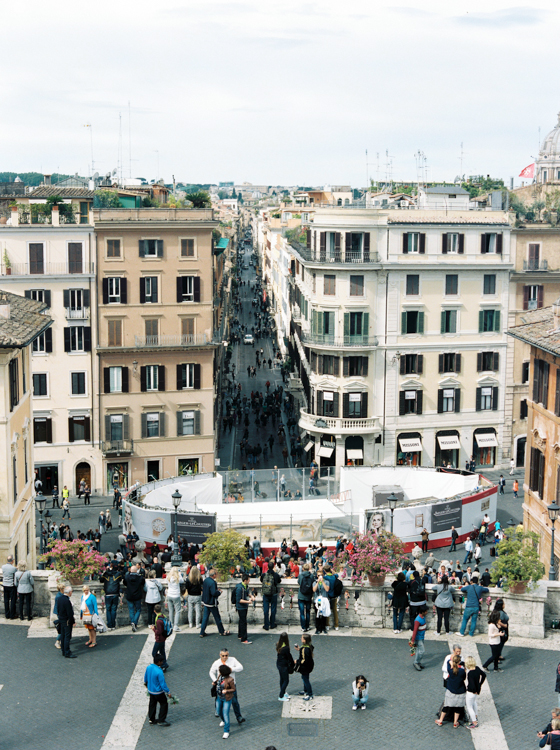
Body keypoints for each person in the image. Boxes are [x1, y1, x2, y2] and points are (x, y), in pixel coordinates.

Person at [209, 649, 245, 725]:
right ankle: (218, 711)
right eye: (223, 655)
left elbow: (241, 667)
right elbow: (211, 672)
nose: (225, 657)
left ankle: (238, 717)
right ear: (220, 655)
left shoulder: (233, 660)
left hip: (230, 685)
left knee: (234, 701)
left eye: (226, 655)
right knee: (218, 699)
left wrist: (231, 669)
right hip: (220, 685)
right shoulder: (216, 662)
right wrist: (215, 680)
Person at [435, 655, 466, 728]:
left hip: (451, 691)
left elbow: (448, 662)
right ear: (459, 662)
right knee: (458, 708)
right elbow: (464, 678)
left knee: (446, 706)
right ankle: (455, 723)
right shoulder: (462, 671)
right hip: (460, 691)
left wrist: (451, 663)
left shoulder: (450, 670)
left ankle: (440, 721)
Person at [144, 654, 172, 727]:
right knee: (164, 703)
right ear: (159, 662)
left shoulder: (149, 667)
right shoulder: (159, 671)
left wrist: (147, 686)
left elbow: (145, 678)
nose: (162, 663)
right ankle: (161, 720)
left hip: (151, 691)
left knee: (152, 704)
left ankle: (151, 719)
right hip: (158, 692)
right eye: (162, 661)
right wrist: (168, 692)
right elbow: (163, 684)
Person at [201, 569, 230, 637]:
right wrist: (219, 592)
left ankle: (202, 632)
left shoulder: (206, 580)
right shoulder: (213, 582)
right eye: (216, 574)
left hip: (206, 602)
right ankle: (222, 631)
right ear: (214, 575)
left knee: (205, 618)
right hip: (212, 603)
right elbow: (214, 593)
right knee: (217, 618)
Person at [100, 560, 122, 630]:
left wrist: (104, 571)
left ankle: (109, 625)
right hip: (115, 593)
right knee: (113, 610)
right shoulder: (118, 574)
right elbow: (121, 580)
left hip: (107, 594)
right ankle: (113, 625)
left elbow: (101, 580)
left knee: (108, 609)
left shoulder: (106, 574)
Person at [465, 655, 486, 729]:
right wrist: (480, 685)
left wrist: (474, 690)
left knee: (469, 707)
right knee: (474, 702)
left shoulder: (470, 673)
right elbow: (484, 675)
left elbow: (472, 684)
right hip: (476, 691)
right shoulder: (477, 668)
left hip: (471, 692)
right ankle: (475, 716)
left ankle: (474, 722)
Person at [215, 665, 236, 738]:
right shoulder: (220, 676)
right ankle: (224, 721)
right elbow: (218, 683)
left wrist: (226, 690)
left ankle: (226, 730)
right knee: (218, 711)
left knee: (225, 713)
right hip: (219, 697)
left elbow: (233, 689)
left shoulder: (230, 679)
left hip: (227, 698)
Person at [261, 559, 282, 631]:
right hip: (273, 594)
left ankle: (266, 625)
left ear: (267, 567)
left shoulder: (264, 575)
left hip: (265, 594)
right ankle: (272, 624)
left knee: (266, 610)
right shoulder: (276, 575)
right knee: (273, 609)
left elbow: (261, 580)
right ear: (273, 567)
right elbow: (279, 581)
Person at [124, 564, 144, 632]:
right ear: (136, 571)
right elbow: (143, 582)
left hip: (129, 595)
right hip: (137, 595)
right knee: (138, 609)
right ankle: (135, 622)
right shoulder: (139, 577)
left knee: (131, 610)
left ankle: (133, 622)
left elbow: (124, 583)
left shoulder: (127, 577)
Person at [294, 633, 315, 701]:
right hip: (309, 665)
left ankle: (310, 694)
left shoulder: (304, 649)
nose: (301, 638)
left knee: (305, 679)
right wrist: (300, 649)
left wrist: (297, 661)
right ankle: (306, 691)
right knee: (305, 678)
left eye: (302, 638)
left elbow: (304, 660)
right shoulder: (308, 646)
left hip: (305, 667)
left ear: (305, 640)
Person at [235, 573, 254, 644]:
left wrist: (251, 595)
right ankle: (244, 639)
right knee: (243, 622)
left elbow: (246, 593)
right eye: (248, 580)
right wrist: (248, 602)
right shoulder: (239, 588)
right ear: (245, 580)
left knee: (241, 621)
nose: (249, 581)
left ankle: (240, 635)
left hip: (243, 606)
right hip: (241, 607)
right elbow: (239, 600)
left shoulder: (245, 586)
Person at [58, 585, 76, 658]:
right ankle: (67, 652)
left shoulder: (59, 598)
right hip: (67, 621)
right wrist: (73, 621)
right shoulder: (67, 601)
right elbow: (70, 613)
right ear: (69, 592)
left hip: (61, 619)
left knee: (63, 635)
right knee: (67, 637)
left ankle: (63, 650)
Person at [276, 631, 294, 701]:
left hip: (279, 664)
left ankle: (283, 692)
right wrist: (293, 664)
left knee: (282, 679)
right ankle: (281, 696)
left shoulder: (278, 644)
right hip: (284, 666)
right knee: (286, 680)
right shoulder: (286, 648)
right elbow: (289, 657)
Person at [152, 603, 170, 670]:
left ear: (154, 611)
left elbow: (159, 632)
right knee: (162, 651)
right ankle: (164, 664)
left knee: (154, 653)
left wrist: (153, 629)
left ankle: (161, 663)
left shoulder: (158, 620)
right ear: (161, 609)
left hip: (159, 639)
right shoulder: (163, 616)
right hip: (163, 638)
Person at [166, 566, 184, 633]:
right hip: (176, 595)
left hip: (169, 595)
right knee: (177, 610)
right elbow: (182, 581)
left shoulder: (168, 577)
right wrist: (179, 574)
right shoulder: (178, 577)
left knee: (171, 611)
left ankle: (171, 624)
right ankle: (175, 626)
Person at [297, 562, 315, 632]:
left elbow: (299, 582)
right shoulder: (311, 576)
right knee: (308, 611)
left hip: (301, 595)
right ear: (309, 568)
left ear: (303, 569)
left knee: (302, 612)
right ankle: (307, 626)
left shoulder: (300, 575)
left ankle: (303, 627)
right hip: (308, 595)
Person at [410, 604, 428, 671]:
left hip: (422, 636)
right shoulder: (418, 620)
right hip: (419, 638)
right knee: (422, 651)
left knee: (419, 650)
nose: (427, 612)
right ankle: (416, 662)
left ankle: (418, 662)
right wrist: (413, 640)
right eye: (426, 611)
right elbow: (415, 631)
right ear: (422, 612)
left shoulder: (423, 617)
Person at [323, 564, 340, 631]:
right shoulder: (334, 577)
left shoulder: (325, 578)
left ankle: (327, 625)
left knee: (327, 610)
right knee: (335, 611)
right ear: (330, 570)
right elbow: (337, 574)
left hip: (327, 596)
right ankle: (336, 625)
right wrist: (332, 570)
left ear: (324, 571)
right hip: (334, 595)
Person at [2, 554, 17, 620]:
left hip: (5, 585)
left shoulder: (3, 567)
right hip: (11, 585)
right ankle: (12, 615)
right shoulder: (14, 568)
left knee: (6, 600)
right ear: (12, 561)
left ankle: (7, 614)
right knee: (13, 600)